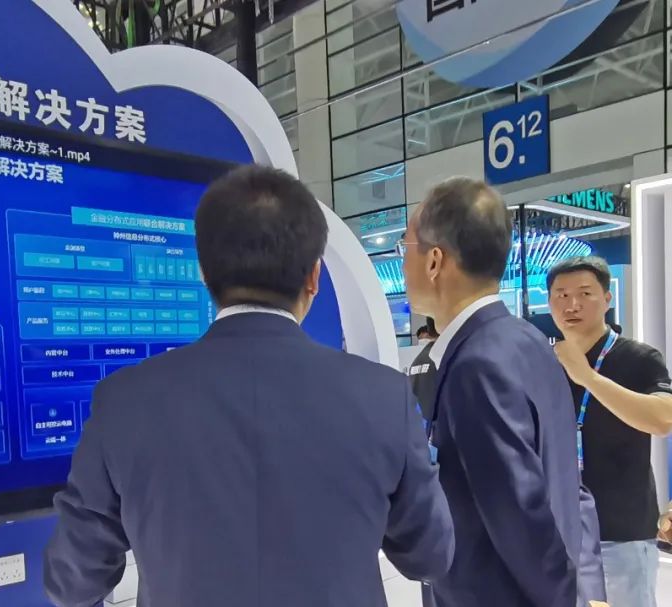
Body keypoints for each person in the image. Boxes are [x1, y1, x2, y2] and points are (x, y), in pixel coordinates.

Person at [44, 165, 455, 607]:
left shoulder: (124, 401)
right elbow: (430, 555)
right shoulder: (384, 397)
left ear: (205, 273)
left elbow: (73, 581)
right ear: (314, 277)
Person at [399, 176, 583, 607]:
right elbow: (566, 485)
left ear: (434, 261)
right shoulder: (527, 340)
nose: (402, 264)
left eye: (404, 248)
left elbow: (520, 516)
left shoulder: (475, 365)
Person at [548, 255, 672, 607]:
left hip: (619, 533)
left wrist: (587, 377)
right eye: (561, 295)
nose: (572, 304)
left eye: (585, 293)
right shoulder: (542, 361)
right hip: (555, 531)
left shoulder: (638, 357)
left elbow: (664, 419)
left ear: (607, 298)